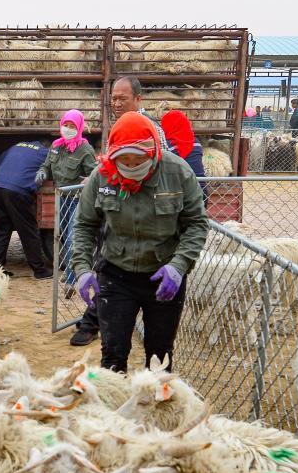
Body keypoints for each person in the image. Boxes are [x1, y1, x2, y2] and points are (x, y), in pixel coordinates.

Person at [72, 112, 208, 373]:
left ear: (154, 151)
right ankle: (113, 409)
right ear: (113, 155)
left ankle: (156, 408)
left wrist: (178, 266)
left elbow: (196, 223)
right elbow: (84, 225)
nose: (132, 166)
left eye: (139, 159)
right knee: (112, 355)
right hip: (115, 275)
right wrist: (81, 269)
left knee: (159, 355)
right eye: (125, 160)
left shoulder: (178, 173)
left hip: (163, 276)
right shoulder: (101, 176)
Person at [68, 75, 147, 346]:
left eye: (122, 98)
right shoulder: (117, 127)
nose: (116, 103)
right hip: (112, 209)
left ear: (139, 99)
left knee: (111, 269)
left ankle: (93, 323)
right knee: (107, 265)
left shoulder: (150, 130)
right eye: (113, 98)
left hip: (137, 215)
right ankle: (95, 320)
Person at [36, 109, 98, 293]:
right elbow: (46, 165)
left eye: (72, 126)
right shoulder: (56, 145)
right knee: (63, 237)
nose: (68, 129)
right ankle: (70, 270)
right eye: (66, 125)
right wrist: (42, 172)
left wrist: (89, 179)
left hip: (78, 199)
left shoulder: (85, 149)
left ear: (79, 127)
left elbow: (93, 172)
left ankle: (71, 281)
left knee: (73, 238)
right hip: (61, 199)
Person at [0, 139, 52, 280]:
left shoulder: (16, 146)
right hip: (19, 190)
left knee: (2, 231)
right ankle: (39, 271)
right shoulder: (45, 153)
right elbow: (51, 170)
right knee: (29, 231)